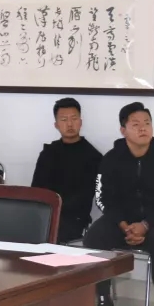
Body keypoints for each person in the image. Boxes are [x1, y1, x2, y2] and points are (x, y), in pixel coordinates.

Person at [85, 103, 154, 306]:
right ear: (123, 130)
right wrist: (124, 225)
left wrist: (146, 225)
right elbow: (102, 198)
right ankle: (103, 299)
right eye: (136, 124)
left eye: (147, 123)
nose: (143, 128)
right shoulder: (111, 159)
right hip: (121, 223)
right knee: (94, 237)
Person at [31, 98, 103, 243]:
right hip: (44, 212)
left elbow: (85, 197)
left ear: (80, 122)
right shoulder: (48, 153)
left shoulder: (93, 156)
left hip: (73, 218)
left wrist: (58, 210)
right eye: (64, 119)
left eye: (74, 119)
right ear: (56, 125)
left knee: (56, 233)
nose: (69, 124)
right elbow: (36, 189)